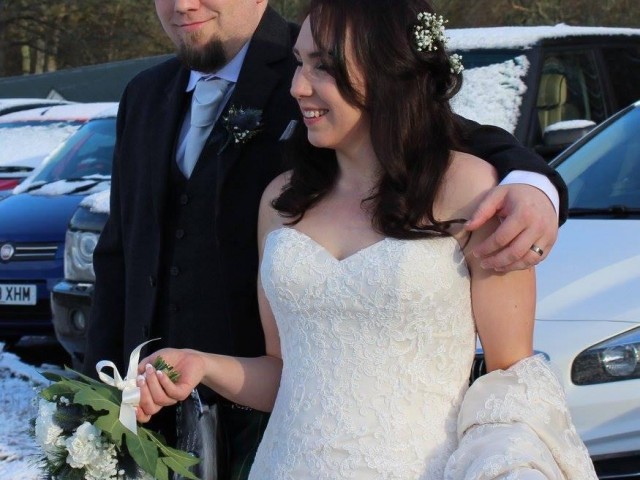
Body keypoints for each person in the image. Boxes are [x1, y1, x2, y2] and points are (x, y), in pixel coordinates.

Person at [85, 0, 569, 478]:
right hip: (240, 446)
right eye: (301, 65)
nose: (299, 85)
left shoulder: (472, 193)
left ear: (390, 69)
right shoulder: (158, 105)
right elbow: (120, 257)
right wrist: (108, 397)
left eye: (320, 67)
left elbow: (510, 377)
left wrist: (534, 186)